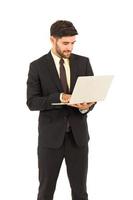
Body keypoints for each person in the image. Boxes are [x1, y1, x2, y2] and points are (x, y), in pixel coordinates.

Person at [26, 20, 96, 200]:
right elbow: (32, 102)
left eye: (73, 43)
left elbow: (91, 95)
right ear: (52, 40)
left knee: (80, 191)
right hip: (50, 140)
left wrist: (85, 107)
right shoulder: (37, 66)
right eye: (65, 43)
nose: (70, 48)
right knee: (46, 191)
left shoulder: (83, 62)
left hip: (78, 139)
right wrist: (61, 98)